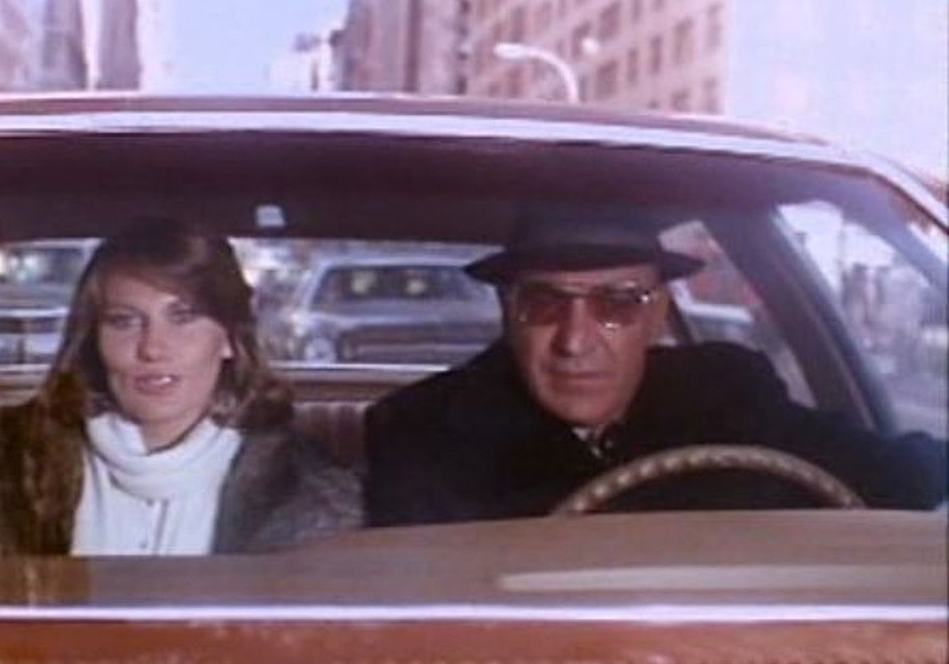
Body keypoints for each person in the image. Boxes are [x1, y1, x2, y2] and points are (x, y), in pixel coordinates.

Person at [363, 205, 948, 526]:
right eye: (544, 304)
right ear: (508, 312)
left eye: (617, 304)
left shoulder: (729, 393)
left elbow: (887, 474)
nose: (575, 341)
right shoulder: (423, 429)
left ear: (656, 314)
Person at [0, 217, 361, 554]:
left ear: (229, 338)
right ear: (93, 339)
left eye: (183, 317)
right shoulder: (5, 465)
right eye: (124, 321)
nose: (153, 348)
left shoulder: (301, 484)